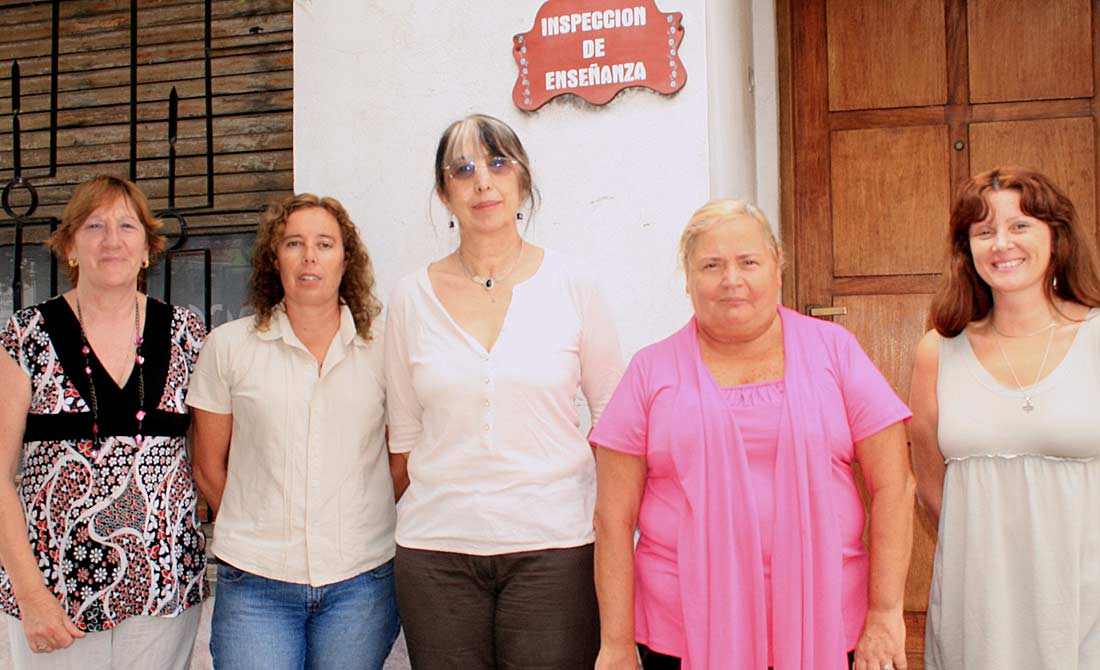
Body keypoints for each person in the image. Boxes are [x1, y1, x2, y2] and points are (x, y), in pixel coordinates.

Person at [591, 199, 916, 670]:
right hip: (680, 635)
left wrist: (885, 614)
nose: (731, 280)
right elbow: (612, 519)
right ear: (687, 279)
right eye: (711, 265)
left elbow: (895, 486)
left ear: (777, 266)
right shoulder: (650, 370)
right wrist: (616, 645)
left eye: (748, 262)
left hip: (828, 625)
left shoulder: (836, 352)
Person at [384, 113, 623, 669]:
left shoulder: (573, 285)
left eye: (497, 163)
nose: (482, 183)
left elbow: (611, 420)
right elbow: (404, 437)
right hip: (437, 553)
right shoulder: (409, 298)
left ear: (523, 179)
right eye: (463, 170)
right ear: (445, 194)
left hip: (554, 549)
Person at [0, 175, 207, 669]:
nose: (111, 240)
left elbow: (209, 460)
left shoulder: (187, 332)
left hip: (164, 589)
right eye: (94, 226)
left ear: (147, 249)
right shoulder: (26, 334)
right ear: (70, 246)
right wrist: (31, 596)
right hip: (54, 595)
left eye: (126, 226)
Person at [186, 194, 398, 670]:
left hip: (360, 582)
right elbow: (207, 465)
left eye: (324, 244)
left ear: (347, 259)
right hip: (257, 583)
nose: (309, 257)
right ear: (272, 259)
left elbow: (399, 457)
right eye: (294, 243)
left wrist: (361, 515)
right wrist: (256, 523)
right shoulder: (229, 347)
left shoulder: (384, 347)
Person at [910, 166, 1100, 669]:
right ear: (967, 249)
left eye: (1020, 226)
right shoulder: (938, 352)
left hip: (1085, 604)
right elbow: (931, 489)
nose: (1002, 244)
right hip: (979, 613)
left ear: (1056, 237)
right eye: (984, 231)